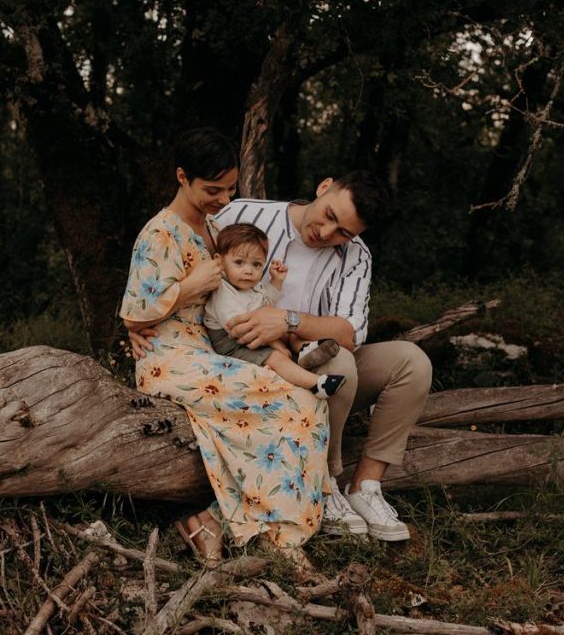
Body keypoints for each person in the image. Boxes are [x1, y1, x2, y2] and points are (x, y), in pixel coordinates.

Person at [120, 128, 331, 567]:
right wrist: (186, 288)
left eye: (231, 188)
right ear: (182, 177)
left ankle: (213, 520)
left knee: (307, 401)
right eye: (212, 189)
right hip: (170, 360)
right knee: (290, 401)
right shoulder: (159, 233)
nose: (223, 197)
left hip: (210, 352)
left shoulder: (215, 228)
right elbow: (134, 314)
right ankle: (280, 540)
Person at [215, 172, 433, 541]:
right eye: (329, 215)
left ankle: (364, 488)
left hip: (311, 362)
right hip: (245, 360)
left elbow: (350, 332)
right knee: (341, 364)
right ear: (323, 187)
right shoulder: (243, 214)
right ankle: (324, 483)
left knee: (412, 362)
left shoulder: (355, 255)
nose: (327, 233)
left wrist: (287, 321)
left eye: (344, 232)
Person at [204, 222, 346, 399]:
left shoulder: (250, 287)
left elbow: (266, 302)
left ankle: (304, 350)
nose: (248, 271)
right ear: (220, 261)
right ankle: (316, 384)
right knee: (276, 358)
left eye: (256, 265)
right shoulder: (223, 291)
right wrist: (275, 345)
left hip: (254, 333)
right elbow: (240, 329)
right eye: (239, 262)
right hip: (232, 342)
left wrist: (276, 281)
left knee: (289, 328)